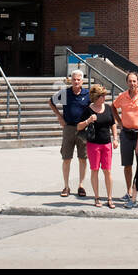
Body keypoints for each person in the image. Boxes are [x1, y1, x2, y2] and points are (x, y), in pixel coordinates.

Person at [49, 69, 90, 197]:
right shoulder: (65, 93)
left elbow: (95, 106)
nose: (76, 82)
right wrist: (59, 117)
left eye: (78, 79)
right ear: (70, 80)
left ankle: (81, 185)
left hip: (83, 129)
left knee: (83, 158)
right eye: (74, 79)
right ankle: (66, 186)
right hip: (68, 128)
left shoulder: (87, 94)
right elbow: (51, 102)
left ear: (82, 81)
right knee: (67, 158)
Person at [112, 70, 138, 206]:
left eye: (134, 81)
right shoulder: (122, 96)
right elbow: (113, 107)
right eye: (130, 81)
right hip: (126, 134)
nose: (132, 83)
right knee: (127, 165)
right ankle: (129, 192)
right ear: (127, 82)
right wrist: (120, 122)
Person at [78, 84, 116, 208]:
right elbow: (79, 126)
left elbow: (113, 124)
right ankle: (97, 197)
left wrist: (115, 138)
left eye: (105, 96)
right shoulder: (88, 110)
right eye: (102, 96)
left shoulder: (108, 108)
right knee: (95, 170)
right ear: (96, 97)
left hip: (107, 144)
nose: (104, 98)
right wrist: (88, 121)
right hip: (93, 144)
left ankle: (110, 198)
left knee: (107, 171)